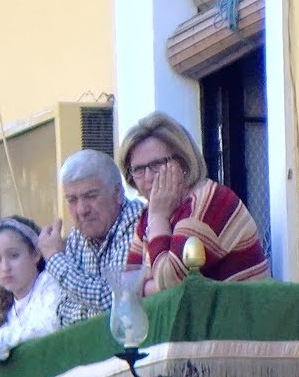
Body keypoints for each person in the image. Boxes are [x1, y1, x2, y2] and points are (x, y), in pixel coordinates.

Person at [117, 111, 270, 295]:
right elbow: (126, 286)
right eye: (138, 169)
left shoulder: (209, 201)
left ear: (183, 162)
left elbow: (170, 287)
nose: (148, 177)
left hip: (241, 318)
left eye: (157, 164)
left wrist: (158, 218)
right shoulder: (151, 212)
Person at [36, 149, 145, 326]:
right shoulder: (76, 237)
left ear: (118, 193)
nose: (81, 210)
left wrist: (55, 259)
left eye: (91, 196)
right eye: (72, 200)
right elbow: (62, 312)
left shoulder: (137, 222)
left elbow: (114, 300)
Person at [0, 216, 62, 364]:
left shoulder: (51, 284)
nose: (5, 267)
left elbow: (48, 326)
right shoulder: (6, 311)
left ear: (35, 254)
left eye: (14, 256)